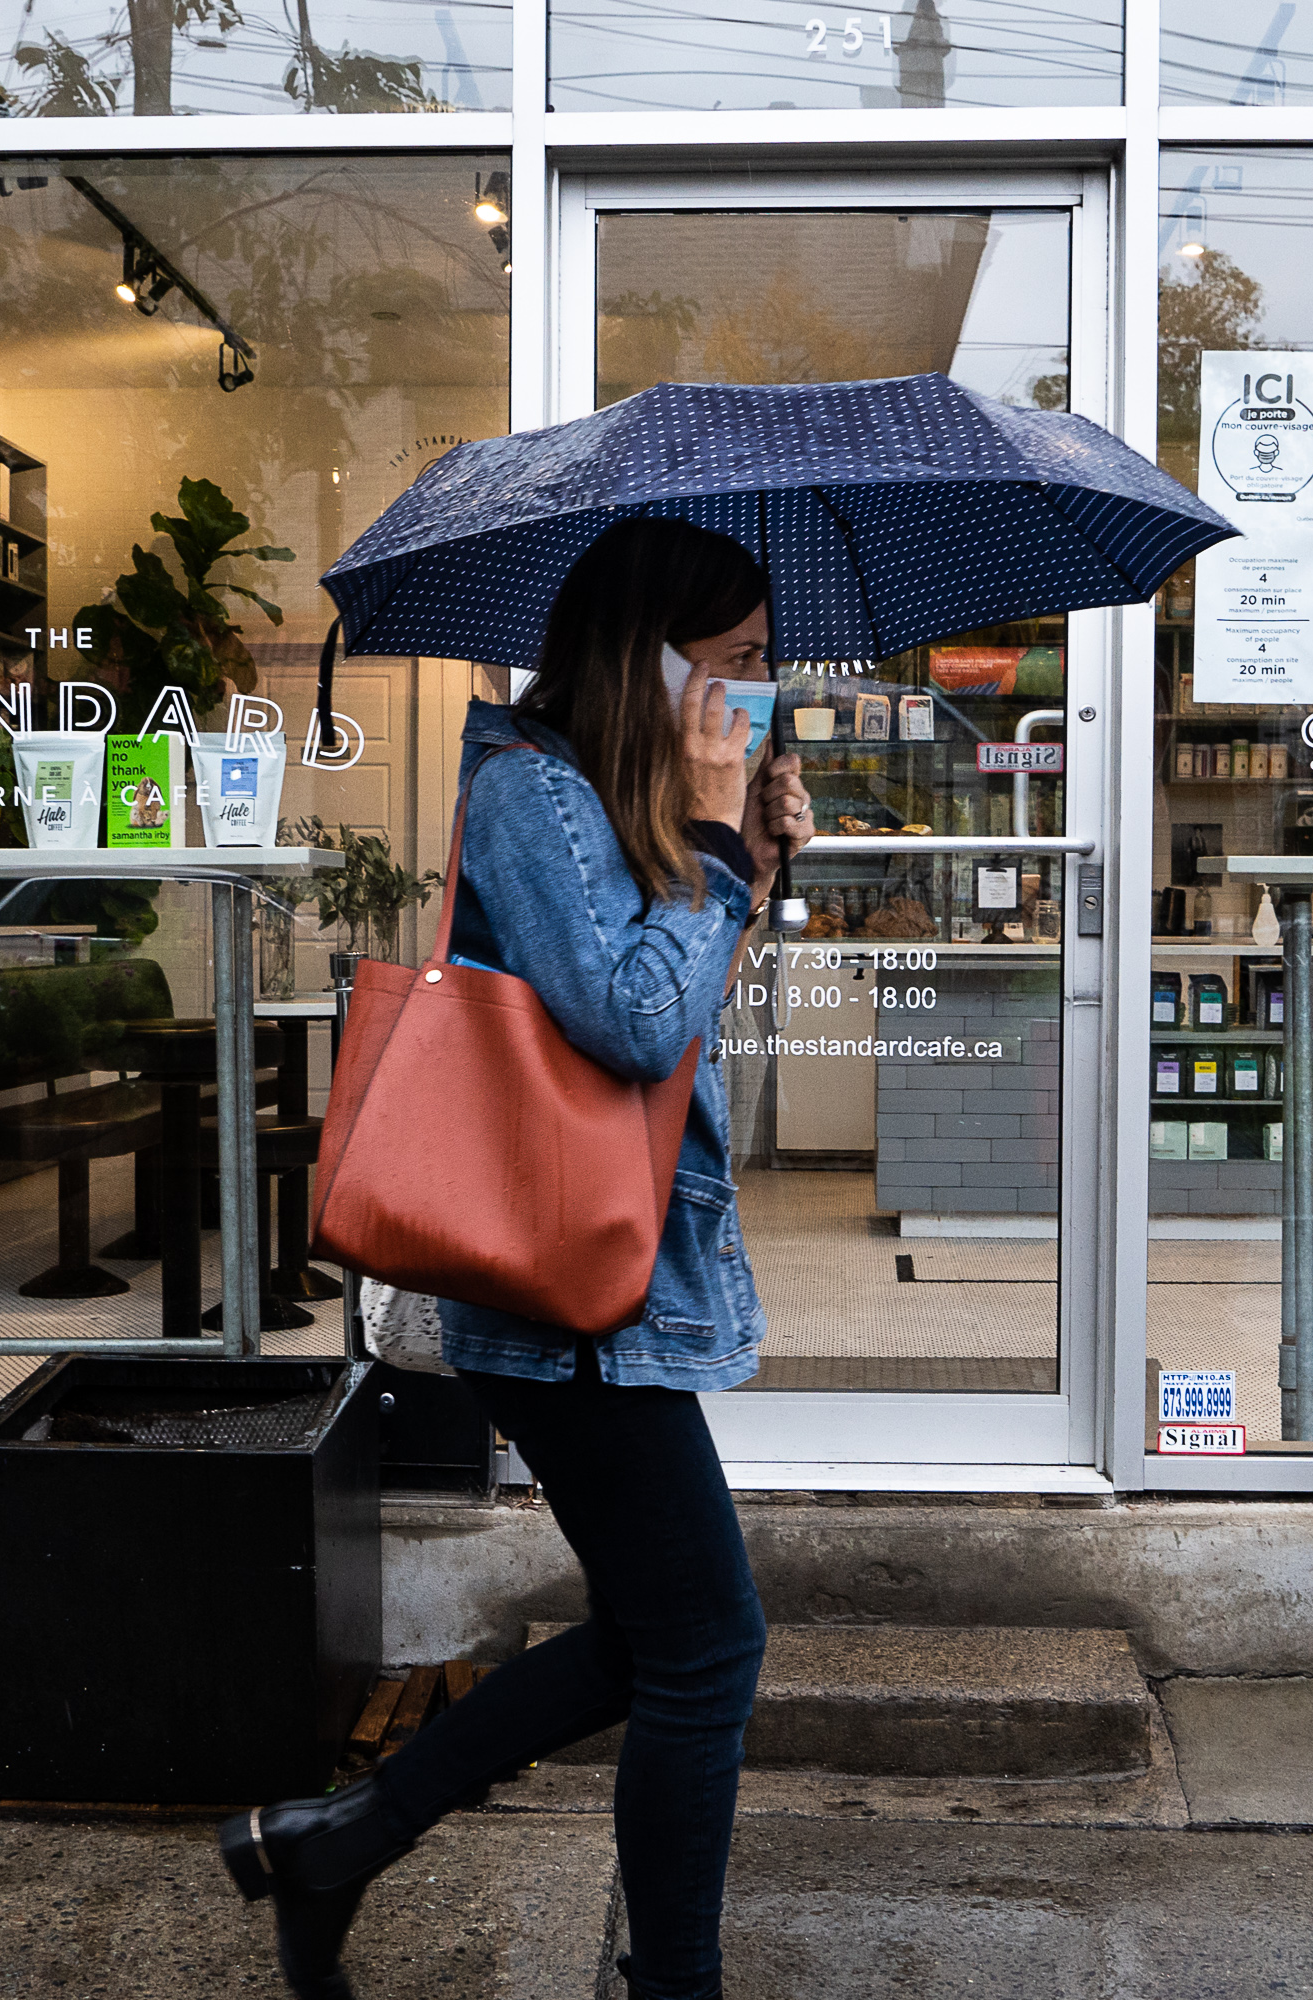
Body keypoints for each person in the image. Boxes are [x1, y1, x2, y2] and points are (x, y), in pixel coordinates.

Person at [218, 517, 812, 2000]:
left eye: (762, 665)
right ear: (654, 653)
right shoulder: (531, 791)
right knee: (709, 1651)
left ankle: (336, 1843)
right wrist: (727, 849)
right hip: (563, 1298)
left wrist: (751, 859)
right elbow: (623, 1018)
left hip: (609, 1285)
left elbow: (671, 1032)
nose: (756, 692)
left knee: (647, 1644)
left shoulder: (617, 801)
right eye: (736, 662)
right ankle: (672, 1984)